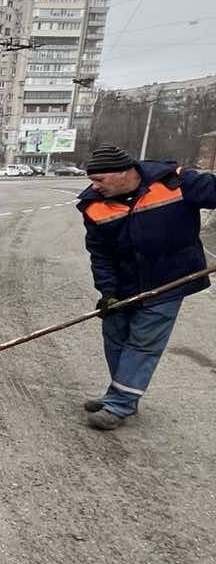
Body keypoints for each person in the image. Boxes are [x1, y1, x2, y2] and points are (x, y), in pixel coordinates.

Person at [78, 143, 216, 430]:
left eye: (100, 180)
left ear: (124, 173)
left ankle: (120, 404)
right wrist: (108, 292)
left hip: (169, 280)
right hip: (125, 282)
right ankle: (120, 393)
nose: (95, 186)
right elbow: (100, 254)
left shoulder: (175, 182)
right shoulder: (94, 205)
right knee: (115, 335)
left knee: (143, 341)